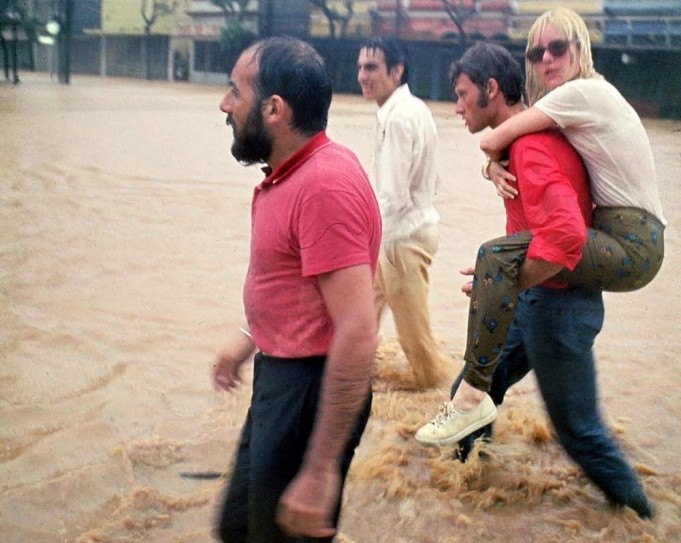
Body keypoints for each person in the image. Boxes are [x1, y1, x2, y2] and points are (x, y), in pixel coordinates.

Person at [417, 42, 653, 518]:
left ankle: (643, 519)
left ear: (490, 89)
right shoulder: (519, 142)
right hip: (542, 301)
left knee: (579, 432)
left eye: (462, 95)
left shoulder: (529, 146)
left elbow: (565, 236)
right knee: (470, 391)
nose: (457, 106)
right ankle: (465, 495)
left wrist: (508, 282)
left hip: (559, 308)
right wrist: (497, 284)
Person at [212, 37, 382, 542]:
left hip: (311, 389)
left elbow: (357, 331)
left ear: (274, 109)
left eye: (234, 92)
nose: (224, 105)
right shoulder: (292, 174)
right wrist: (249, 337)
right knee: (239, 526)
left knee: (281, 535)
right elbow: (297, 285)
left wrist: (320, 468)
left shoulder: (323, 186)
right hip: (281, 376)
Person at [357, 36, 451, 389]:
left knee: (416, 342)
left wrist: (361, 239)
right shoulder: (411, 109)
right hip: (402, 233)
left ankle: (439, 396)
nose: (362, 76)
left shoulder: (397, 119)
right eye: (360, 67)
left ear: (396, 71)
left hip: (400, 240)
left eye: (371, 67)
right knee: (359, 319)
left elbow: (392, 196)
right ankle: (350, 379)